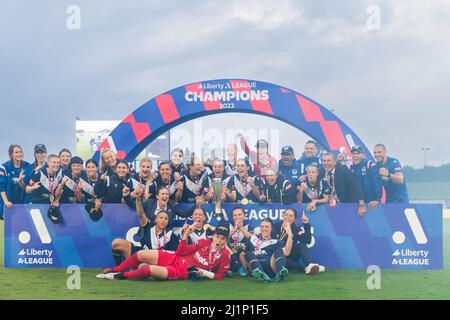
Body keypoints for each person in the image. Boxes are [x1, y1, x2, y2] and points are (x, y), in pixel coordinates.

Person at [97, 222, 231, 281]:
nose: (218, 240)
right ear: (213, 235)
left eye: (222, 238)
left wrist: (204, 273)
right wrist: (185, 235)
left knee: (147, 269)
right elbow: (181, 251)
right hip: (175, 258)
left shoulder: (225, 254)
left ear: (226, 240)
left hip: (181, 272)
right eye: (217, 236)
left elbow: (220, 276)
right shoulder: (204, 242)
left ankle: (120, 276)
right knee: (141, 255)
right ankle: (116, 269)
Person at [111, 187, 179, 265]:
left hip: (156, 263)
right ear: (155, 219)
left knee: (143, 266)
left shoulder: (171, 236)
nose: (163, 220)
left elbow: (175, 256)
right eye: (161, 218)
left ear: (168, 222)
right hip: (142, 255)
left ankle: (134, 269)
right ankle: (119, 268)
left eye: (166, 219)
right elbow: (140, 214)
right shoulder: (148, 227)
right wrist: (138, 198)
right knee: (116, 242)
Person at [273, 208, 325, 275]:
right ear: (283, 216)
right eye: (286, 215)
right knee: (281, 256)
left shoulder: (296, 229)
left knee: (301, 245)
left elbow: (307, 240)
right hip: (279, 257)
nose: (287, 217)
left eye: (290, 216)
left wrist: (306, 224)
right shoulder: (275, 226)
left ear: (294, 219)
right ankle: (306, 269)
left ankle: (309, 265)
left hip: (291, 256)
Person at [240, 217, 292, 282]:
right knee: (248, 253)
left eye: (267, 227)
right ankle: (261, 273)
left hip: (270, 266)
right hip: (255, 266)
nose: (264, 229)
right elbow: (242, 255)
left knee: (279, 251)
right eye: (262, 227)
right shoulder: (254, 239)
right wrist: (246, 268)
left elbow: (287, 252)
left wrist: (290, 235)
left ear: (271, 228)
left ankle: (280, 271)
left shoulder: (276, 242)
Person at [127, 186, 196, 227]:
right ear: (157, 196)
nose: (165, 196)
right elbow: (134, 205)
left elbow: (185, 214)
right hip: (148, 234)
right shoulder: (149, 203)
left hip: (165, 236)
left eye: (167, 194)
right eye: (162, 194)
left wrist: (197, 205)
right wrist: (127, 195)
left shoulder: (171, 205)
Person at [0, 145, 30, 219]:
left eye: (20, 152)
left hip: (22, 203)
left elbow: (27, 186)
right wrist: (6, 202)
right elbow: (1, 186)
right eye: (16, 152)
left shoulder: (27, 166)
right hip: (9, 203)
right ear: (11, 154)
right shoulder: (4, 167)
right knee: (9, 227)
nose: (19, 154)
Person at [227, 207, 254, 277]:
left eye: (239, 214)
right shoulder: (228, 225)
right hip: (230, 252)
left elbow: (252, 239)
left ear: (244, 216)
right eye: (235, 215)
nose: (237, 217)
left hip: (242, 252)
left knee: (245, 251)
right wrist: (234, 229)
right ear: (232, 217)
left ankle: (244, 268)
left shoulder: (249, 226)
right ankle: (227, 269)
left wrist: (241, 228)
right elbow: (222, 238)